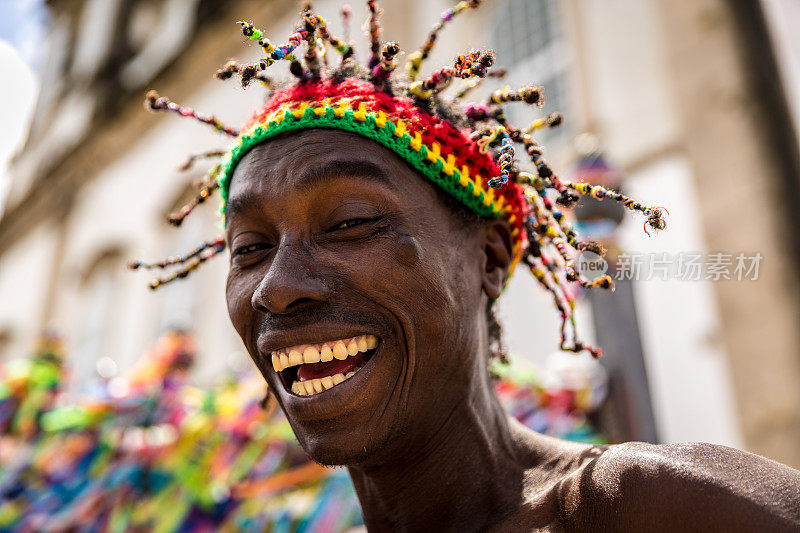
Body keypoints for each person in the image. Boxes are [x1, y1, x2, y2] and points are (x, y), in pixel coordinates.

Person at [133, 2, 800, 530]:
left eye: (349, 223)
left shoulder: (651, 510)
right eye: (249, 248)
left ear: (487, 256)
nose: (277, 287)